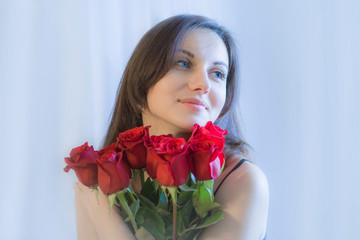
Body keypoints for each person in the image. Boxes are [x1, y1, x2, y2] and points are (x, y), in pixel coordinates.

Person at [73, 14, 269, 240]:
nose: (203, 84)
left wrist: (104, 218)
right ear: (141, 79)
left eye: (217, 74)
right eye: (184, 63)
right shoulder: (104, 179)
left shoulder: (242, 181)